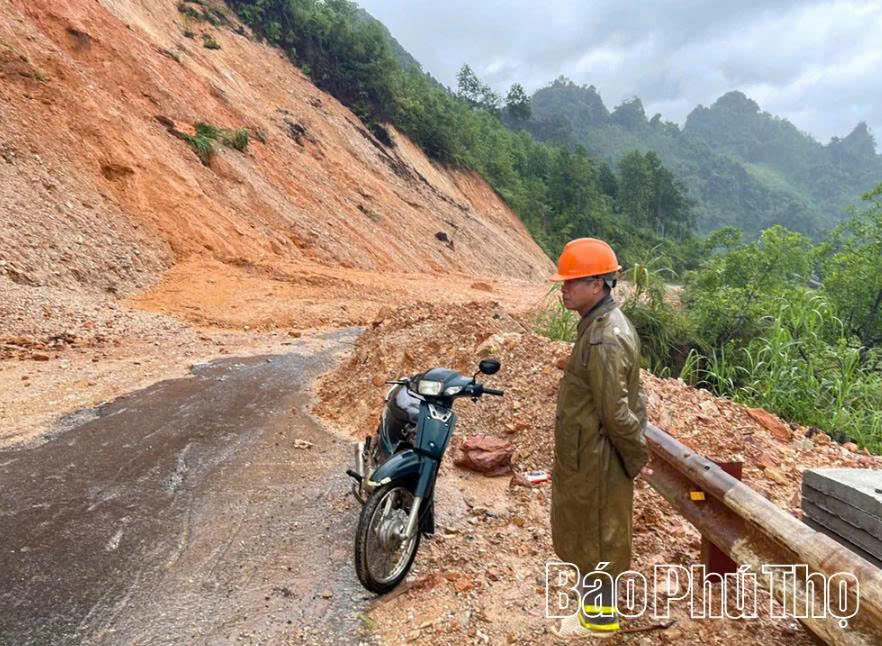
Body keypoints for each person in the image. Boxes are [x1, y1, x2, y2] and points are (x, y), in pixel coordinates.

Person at [548, 238, 651, 639]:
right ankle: (591, 613)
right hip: (586, 455)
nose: (565, 288)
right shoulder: (595, 326)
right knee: (588, 536)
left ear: (598, 285)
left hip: (599, 459)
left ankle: (600, 623)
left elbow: (617, 413)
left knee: (598, 540)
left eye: (573, 281)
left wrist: (635, 458)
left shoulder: (606, 337)